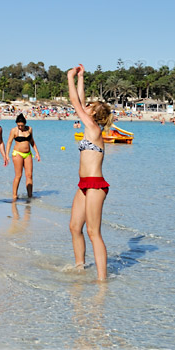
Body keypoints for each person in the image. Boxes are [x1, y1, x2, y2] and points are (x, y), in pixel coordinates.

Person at [67, 64, 112, 281]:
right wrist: (81, 77)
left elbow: (75, 102)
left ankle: (102, 281)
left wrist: (69, 78)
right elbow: (81, 100)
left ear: (93, 113)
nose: (85, 106)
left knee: (94, 233)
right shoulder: (89, 127)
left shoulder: (94, 129)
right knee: (75, 227)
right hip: (83, 185)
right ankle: (79, 268)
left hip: (95, 185)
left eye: (89, 106)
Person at [6, 113, 40, 200]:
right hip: (18, 153)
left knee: (29, 175)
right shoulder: (14, 130)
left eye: (21, 125)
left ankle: (30, 196)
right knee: (18, 175)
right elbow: (9, 142)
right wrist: (6, 155)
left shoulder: (29, 129)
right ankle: (14, 195)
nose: (20, 127)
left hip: (28, 154)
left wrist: (37, 153)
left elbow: (32, 141)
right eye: (18, 125)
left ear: (25, 123)